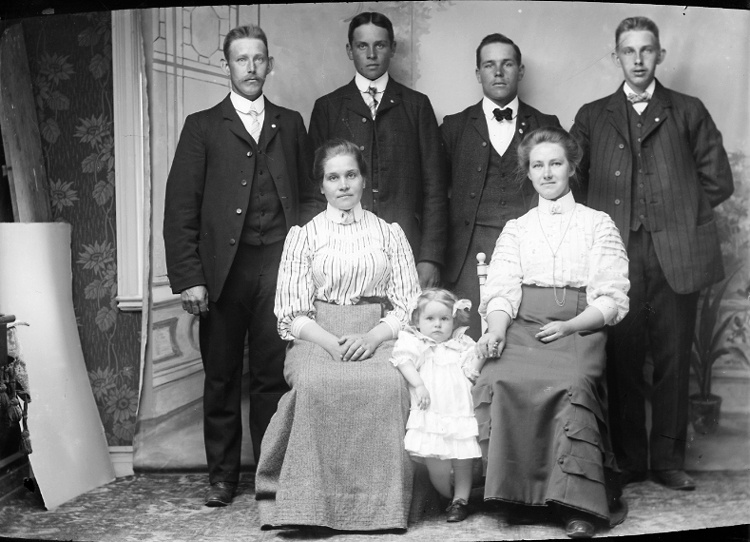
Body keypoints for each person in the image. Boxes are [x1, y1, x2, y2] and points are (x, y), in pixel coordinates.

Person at [570, 16, 734, 492]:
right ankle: (628, 461)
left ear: (659, 55)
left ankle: (667, 461)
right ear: (616, 56)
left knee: (673, 359)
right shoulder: (593, 115)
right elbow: (574, 182)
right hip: (616, 255)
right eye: (629, 50)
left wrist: (677, 217)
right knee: (621, 357)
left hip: (676, 255)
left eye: (646, 50)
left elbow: (718, 179)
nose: (638, 59)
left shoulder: (687, 110)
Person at [162, 25, 318, 507]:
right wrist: (190, 278)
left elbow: (311, 197)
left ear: (270, 64)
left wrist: (308, 263)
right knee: (223, 376)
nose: (251, 68)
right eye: (241, 59)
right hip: (223, 274)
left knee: (272, 377)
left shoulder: (290, 123)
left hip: (279, 270)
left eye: (258, 59)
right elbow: (180, 209)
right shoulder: (202, 126)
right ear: (227, 66)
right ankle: (222, 478)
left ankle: (269, 474)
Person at [254, 139, 422, 530]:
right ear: (321, 185)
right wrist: (331, 343)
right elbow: (291, 313)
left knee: (390, 384)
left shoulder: (389, 233)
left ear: (363, 180)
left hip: (378, 332)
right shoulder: (304, 236)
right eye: (333, 177)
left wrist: (374, 338)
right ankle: (310, 506)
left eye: (351, 175)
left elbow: (408, 305)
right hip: (317, 335)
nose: (343, 185)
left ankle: (382, 507)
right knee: (316, 382)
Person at [475, 127, 630, 539]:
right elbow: (502, 289)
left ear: (571, 168)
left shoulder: (598, 223)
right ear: (528, 172)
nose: (547, 173)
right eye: (538, 165)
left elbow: (611, 297)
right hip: (523, 325)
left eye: (556, 163)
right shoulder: (517, 228)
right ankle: (520, 495)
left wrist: (570, 325)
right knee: (499, 376)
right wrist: (497, 330)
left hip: (579, 326)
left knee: (571, 382)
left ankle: (576, 503)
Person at [309, 11, 448, 289]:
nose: (371, 54)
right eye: (362, 46)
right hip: (343, 252)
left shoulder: (417, 105)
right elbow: (314, 189)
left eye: (380, 45)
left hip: (406, 249)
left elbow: (435, 188)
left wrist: (430, 257)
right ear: (350, 50)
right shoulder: (328, 107)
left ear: (392, 48)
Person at [441, 33, 562, 339]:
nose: (498, 72)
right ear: (478, 73)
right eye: (489, 65)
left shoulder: (546, 124)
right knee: (469, 339)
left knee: (525, 337)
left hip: (530, 251)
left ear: (520, 71)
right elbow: (434, 196)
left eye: (507, 64)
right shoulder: (454, 127)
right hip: (468, 253)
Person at [390, 288, 484, 523]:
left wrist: (481, 355)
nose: (437, 325)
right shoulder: (416, 342)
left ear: (454, 320)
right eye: (430, 318)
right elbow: (404, 361)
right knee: (437, 463)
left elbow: (471, 369)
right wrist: (418, 384)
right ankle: (446, 495)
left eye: (444, 319)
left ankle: (460, 501)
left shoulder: (462, 343)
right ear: (417, 321)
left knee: (463, 458)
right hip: (431, 411)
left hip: (459, 410)